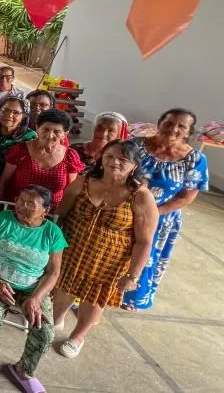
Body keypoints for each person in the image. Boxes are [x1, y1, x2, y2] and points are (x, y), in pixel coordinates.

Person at [52, 141, 158, 357]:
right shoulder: (84, 181)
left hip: (109, 259)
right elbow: (60, 214)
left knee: (95, 298)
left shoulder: (141, 196)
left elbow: (145, 241)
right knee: (63, 287)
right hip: (72, 248)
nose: (114, 162)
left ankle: (78, 336)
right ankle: (55, 320)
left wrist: (132, 275)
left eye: (123, 159)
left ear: (135, 165)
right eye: (109, 156)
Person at [0, 186, 66, 391]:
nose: (21, 206)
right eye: (20, 200)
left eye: (30, 204)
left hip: (33, 288)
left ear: (45, 210)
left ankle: (23, 369)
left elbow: (53, 273)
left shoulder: (52, 233)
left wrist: (36, 298)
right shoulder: (2, 219)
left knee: (45, 331)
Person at [120, 108, 209, 311]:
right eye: (169, 123)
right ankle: (102, 291)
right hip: (124, 209)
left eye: (181, 126)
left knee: (147, 257)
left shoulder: (194, 160)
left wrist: (152, 213)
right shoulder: (135, 146)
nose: (173, 129)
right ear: (159, 123)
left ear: (188, 132)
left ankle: (132, 297)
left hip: (161, 217)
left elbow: (187, 196)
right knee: (116, 250)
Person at [0, 109, 83, 206]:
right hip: (17, 209)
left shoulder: (70, 156)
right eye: (45, 129)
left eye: (57, 131)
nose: (50, 135)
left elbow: (71, 192)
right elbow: (3, 183)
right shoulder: (20, 151)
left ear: (65, 134)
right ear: (37, 128)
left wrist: (60, 217)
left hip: (51, 213)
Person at [0, 97, 37, 194]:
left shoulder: (30, 137)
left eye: (16, 112)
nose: (9, 115)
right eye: (5, 110)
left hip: (12, 187)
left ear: (24, 116)